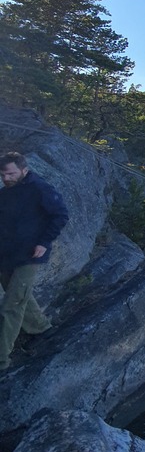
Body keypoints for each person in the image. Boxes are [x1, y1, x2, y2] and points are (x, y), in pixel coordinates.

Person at [0, 152, 69, 370]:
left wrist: (44, 242)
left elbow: (61, 214)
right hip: (6, 253)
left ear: (24, 170)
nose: (6, 178)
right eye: (2, 174)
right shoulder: (5, 193)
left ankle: (1, 359)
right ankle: (41, 329)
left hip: (30, 254)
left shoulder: (40, 188)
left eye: (10, 173)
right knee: (19, 295)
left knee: (11, 306)